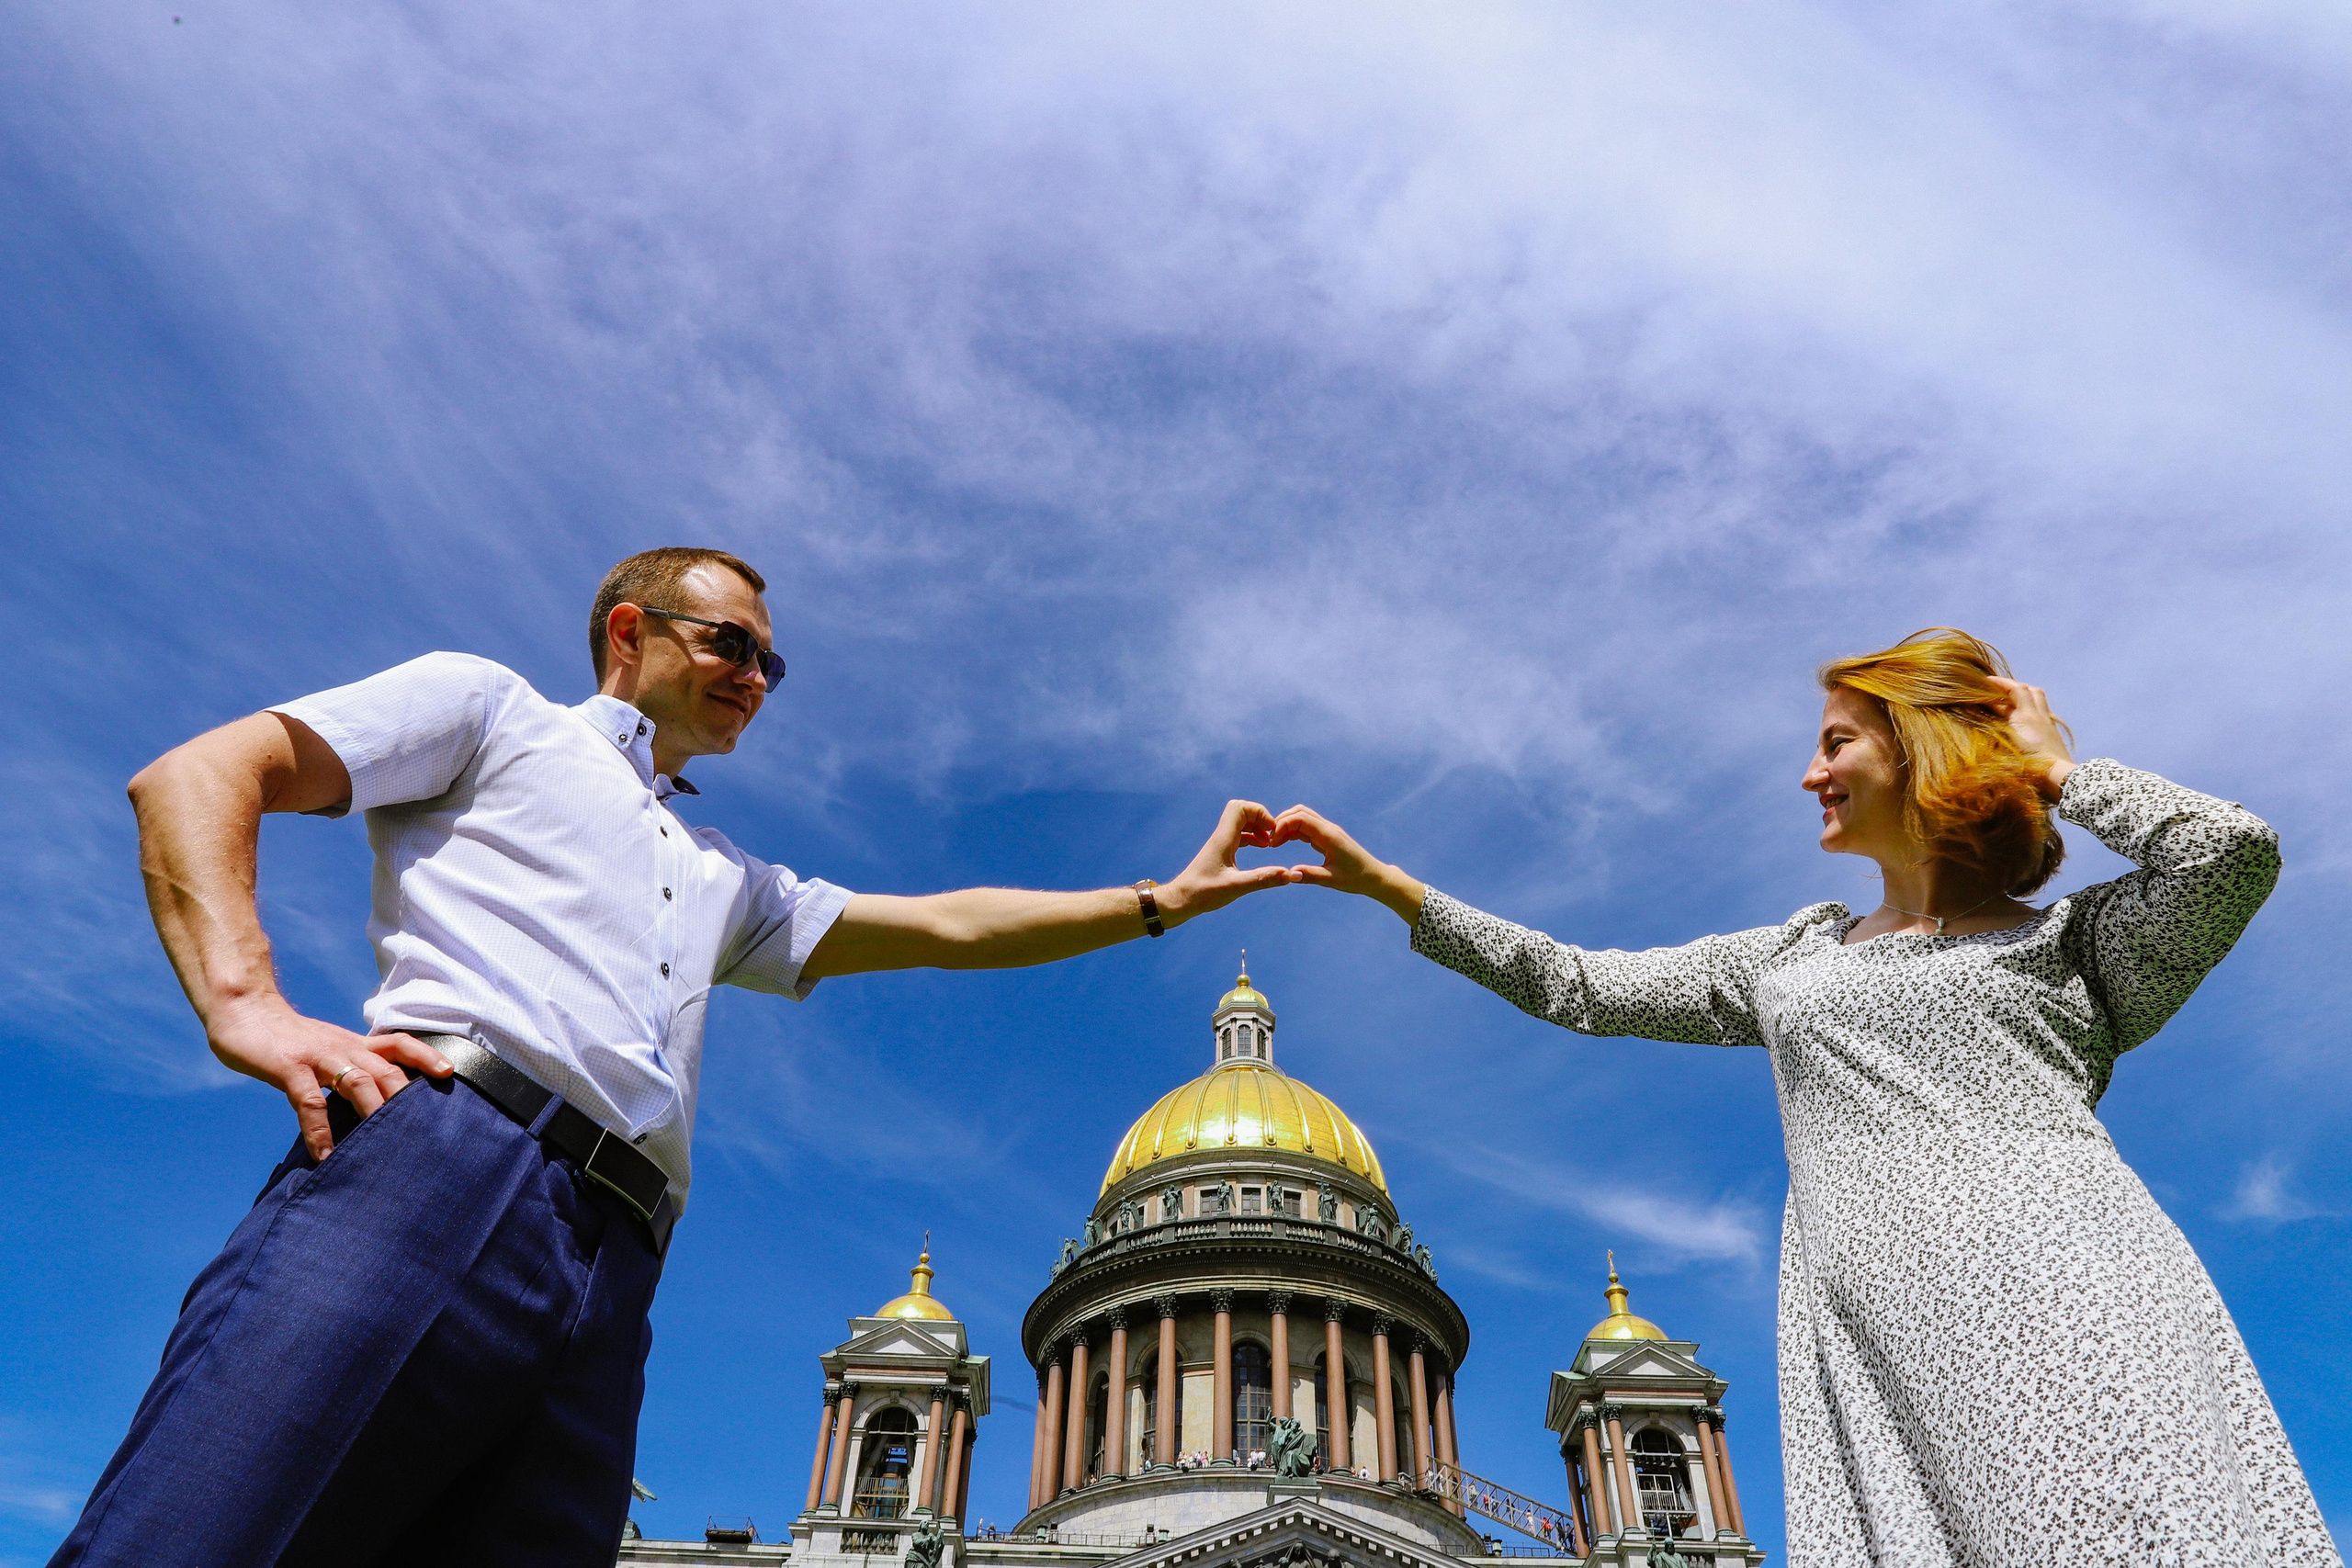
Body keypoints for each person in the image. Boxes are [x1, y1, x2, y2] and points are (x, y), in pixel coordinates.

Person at [55, 547, 1301, 1568]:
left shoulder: (721, 876)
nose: (756, 676)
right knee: (217, 1520)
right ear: (628, 630)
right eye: (730, 644)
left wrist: (1158, 899)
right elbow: (203, 773)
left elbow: (944, 922)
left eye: (772, 661)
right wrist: (247, 1001)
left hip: (618, 1257)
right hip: (449, 1152)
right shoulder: (496, 711)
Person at [1272, 628, 2337, 1565]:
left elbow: (2227, 853)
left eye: (1836, 743)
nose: (1807, 773)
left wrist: (2052, 767)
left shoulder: (2072, 945)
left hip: (2062, 1282)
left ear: (1921, 750)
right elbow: (1578, 985)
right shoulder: (1791, 955)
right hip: (1871, 1323)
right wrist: (1387, 886)